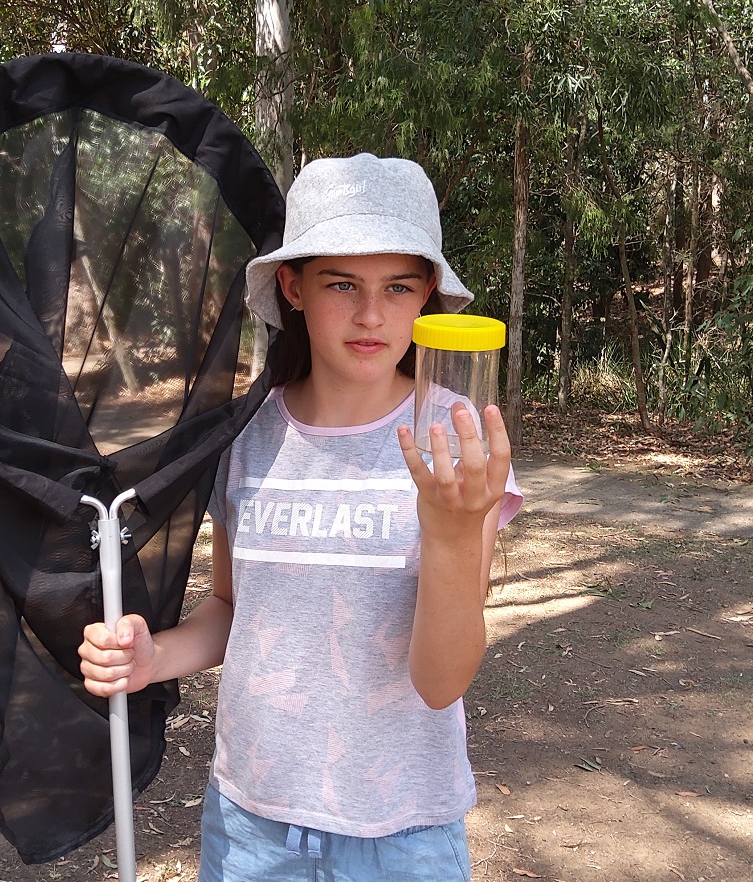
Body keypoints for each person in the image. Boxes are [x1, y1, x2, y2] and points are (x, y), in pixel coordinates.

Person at [79, 153, 523, 881]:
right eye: (342, 284)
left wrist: (448, 530)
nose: (371, 314)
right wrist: (154, 657)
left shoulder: (459, 441)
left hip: (402, 834)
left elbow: (442, 681)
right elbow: (231, 609)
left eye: (398, 287)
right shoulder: (245, 436)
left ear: (428, 296)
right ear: (293, 287)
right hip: (251, 825)